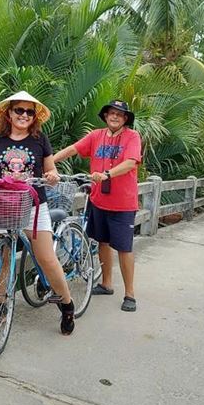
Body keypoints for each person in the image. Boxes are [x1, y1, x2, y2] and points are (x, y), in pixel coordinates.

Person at [0, 91, 76, 335]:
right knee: (3, 258)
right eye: (19, 110)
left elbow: (51, 170)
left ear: (34, 116)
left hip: (35, 205)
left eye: (29, 111)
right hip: (4, 203)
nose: (24, 115)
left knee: (46, 258)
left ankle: (67, 304)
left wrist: (52, 177)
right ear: (9, 113)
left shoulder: (39, 139)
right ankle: (1, 305)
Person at [53, 99, 141, 312]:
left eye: (120, 114)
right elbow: (73, 149)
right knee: (102, 241)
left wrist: (107, 174)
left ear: (125, 119)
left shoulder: (132, 137)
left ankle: (130, 294)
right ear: (105, 116)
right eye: (111, 113)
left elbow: (131, 162)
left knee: (124, 248)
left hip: (123, 203)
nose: (115, 117)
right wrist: (49, 162)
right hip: (99, 200)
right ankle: (106, 283)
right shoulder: (96, 136)